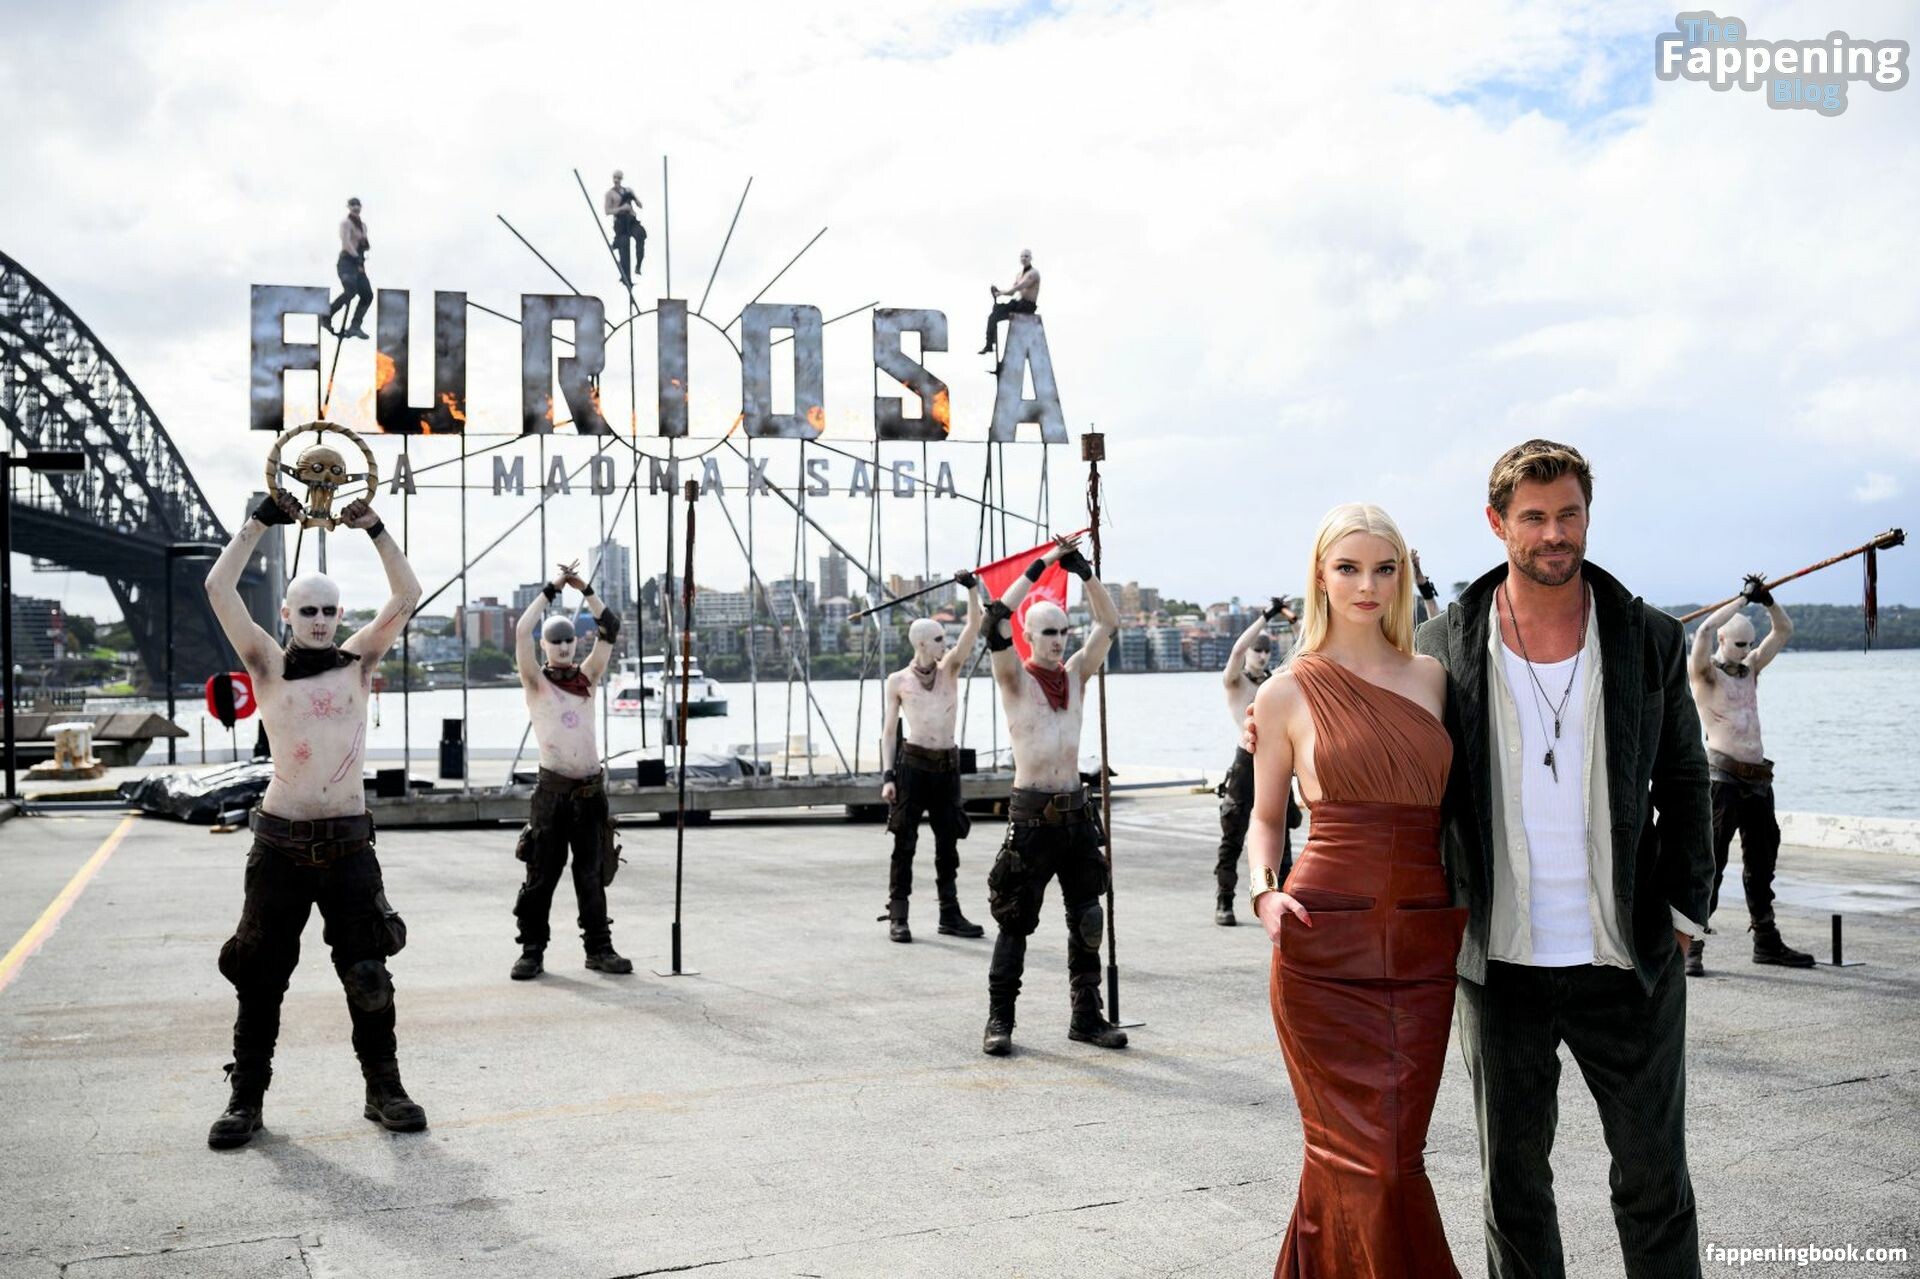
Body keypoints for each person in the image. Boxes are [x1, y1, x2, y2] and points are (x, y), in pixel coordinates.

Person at [1415, 440, 1712, 1278]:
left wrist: (1684, 913)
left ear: (1588, 514)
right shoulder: (1442, 644)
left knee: (1654, 1177)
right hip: (1498, 963)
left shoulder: (1649, 637)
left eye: (1569, 514)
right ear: (1497, 523)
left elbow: (1687, 778)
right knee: (1512, 1187)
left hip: (1628, 958)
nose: (1555, 533)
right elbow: (1385, 743)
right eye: (1535, 517)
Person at [1246, 503, 1462, 1277]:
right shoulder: (1283, 693)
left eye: (1384, 568)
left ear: (1403, 576)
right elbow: (1265, 818)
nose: (1367, 584)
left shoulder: (1435, 678)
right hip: (1321, 945)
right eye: (1348, 567)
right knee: (1355, 1155)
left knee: (1387, 1158)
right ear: (1321, 575)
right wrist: (1265, 893)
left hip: (1422, 943)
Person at [201, 491, 425, 1149]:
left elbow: (407, 595)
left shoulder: (359, 661)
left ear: (340, 615)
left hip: (350, 845)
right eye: (309, 611)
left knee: (369, 974)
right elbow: (218, 588)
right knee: (260, 976)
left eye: (329, 610)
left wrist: (375, 527)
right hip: (280, 845)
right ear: (287, 614)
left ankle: (384, 1090)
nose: (321, 621)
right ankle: (245, 1100)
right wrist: (259, 522)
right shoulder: (267, 663)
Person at [980, 535, 1127, 1056]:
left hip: (1076, 814)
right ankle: (1000, 1021)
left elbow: (1108, 624)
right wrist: (1043, 564)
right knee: (1015, 921)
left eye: (1064, 631)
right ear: (1028, 634)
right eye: (1048, 632)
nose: (1059, 641)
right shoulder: (1014, 679)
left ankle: (1086, 1018)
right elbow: (994, 620)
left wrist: (1083, 572)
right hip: (1032, 816)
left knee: (1088, 918)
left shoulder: (1077, 675)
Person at [508, 562, 631, 980]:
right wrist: (552, 589)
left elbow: (610, 628)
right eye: (555, 641)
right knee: (540, 875)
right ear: (545, 645)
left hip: (590, 793)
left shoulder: (588, 677)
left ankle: (599, 948)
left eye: (568, 640)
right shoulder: (536, 683)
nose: (562, 647)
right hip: (552, 794)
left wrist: (585, 589)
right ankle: (532, 951)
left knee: (591, 874)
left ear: (576, 642)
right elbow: (521, 630)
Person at [1687, 577, 1811, 974]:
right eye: (1739, 644)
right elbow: (1703, 629)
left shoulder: (1751, 668)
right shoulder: (1704, 673)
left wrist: (1768, 601)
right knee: (1710, 864)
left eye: (1748, 644)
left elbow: (1784, 631)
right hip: (1721, 780)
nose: (1745, 651)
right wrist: (1742, 599)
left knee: (1762, 862)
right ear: (1724, 640)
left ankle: (1766, 940)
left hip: (1758, 780)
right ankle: (1691, 944)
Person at [876, 577, 988, 943]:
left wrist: (971, 589)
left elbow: (973, 628)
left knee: (948, 844)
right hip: (912, 767)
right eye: (939, 639)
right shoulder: (898, 681)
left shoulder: (950, 669)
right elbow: (889, 732)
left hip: (946, 768)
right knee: (904, 843)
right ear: (922, 643)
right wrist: (888, 776)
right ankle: (899, 915)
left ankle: (949, 914)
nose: (946, 643)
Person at [1213, 597, 1300, 926]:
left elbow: (1304, 648)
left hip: (1276, 761)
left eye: (1266, 650)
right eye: (1257, 650)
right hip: (1244, 763)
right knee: (1233, 834)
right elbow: (1236, 650)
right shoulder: (1236, 682)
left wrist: (1290, 618)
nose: (1262, 655)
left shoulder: (1275, 682)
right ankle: (1224, 899)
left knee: (1283, 831)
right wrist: (1266, 616)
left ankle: (1286, 893)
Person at [978, 249, 1040, 358]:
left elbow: (1020, 286)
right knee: (994, 315)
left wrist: (1001, 293)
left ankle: (1024, 349)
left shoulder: (1033, 273)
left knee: (1004, 310)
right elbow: (1012, 292)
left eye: (1026, 256)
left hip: (1027, 306)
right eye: (1022, 256)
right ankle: (989, 344)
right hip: (1017, 303)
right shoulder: (1019, 275)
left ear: (1031, 258)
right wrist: (999, 292)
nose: (1024, 258)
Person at [325, 197, 372, 340]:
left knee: (367, 294)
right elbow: (346, 242)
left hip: (358, 264)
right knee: (350, 290)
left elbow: (364, 244)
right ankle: (327, 315)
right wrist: (356, 257)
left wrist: (360, 259)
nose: (356, 207)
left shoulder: (363, 226)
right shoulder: (346, 223)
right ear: (349, 207)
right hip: (346, 262)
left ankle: (355, 326)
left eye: (358, 205)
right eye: (353, 205)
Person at [605, 170, 645, 288]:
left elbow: (640, 205)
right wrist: (621, 208)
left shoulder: (628, 191)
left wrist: (634, 199)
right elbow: (607, 211)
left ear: (621, 179)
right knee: (624, 246)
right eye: (615, 178)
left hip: (631, 220)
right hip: (620, 222)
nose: (616, 180)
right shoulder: (610, 194)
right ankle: (626, 277)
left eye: (618, 178)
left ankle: (638, 266)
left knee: (640, 235)